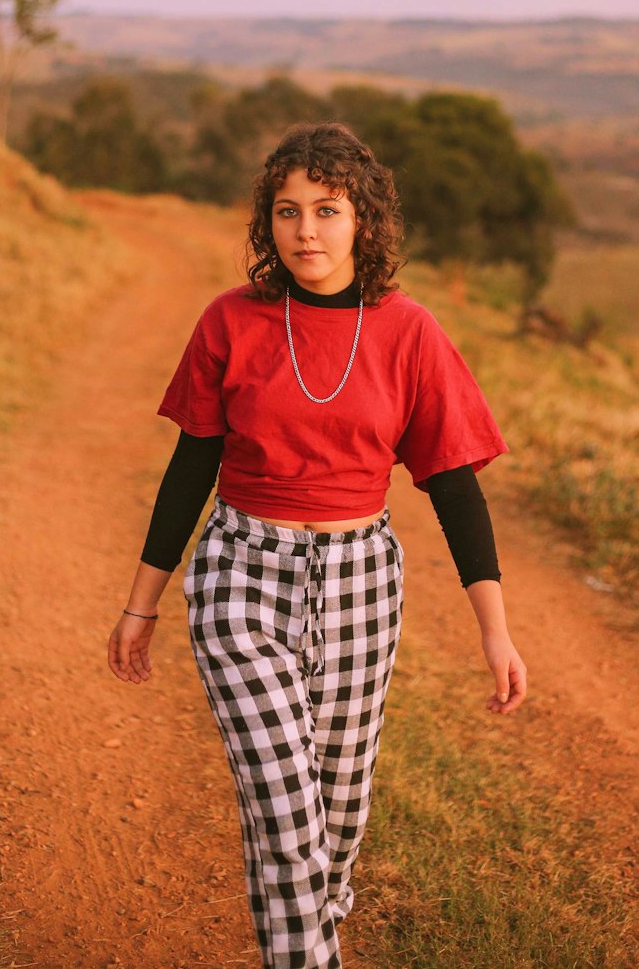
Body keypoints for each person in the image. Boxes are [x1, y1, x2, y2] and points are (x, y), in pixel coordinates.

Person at [107, 121, 527, 969]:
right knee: (285, 810)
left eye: (327, 211)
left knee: (335, 811)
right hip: (240, 574)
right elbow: (190, 467)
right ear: (267, 223)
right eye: (288, 212)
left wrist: (495, 630)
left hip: (360, 581)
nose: (305, 232)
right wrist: (140, 604)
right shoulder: (230, 321)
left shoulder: (410, 333)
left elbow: (453, 485)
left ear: (363, 220)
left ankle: (311, 923)